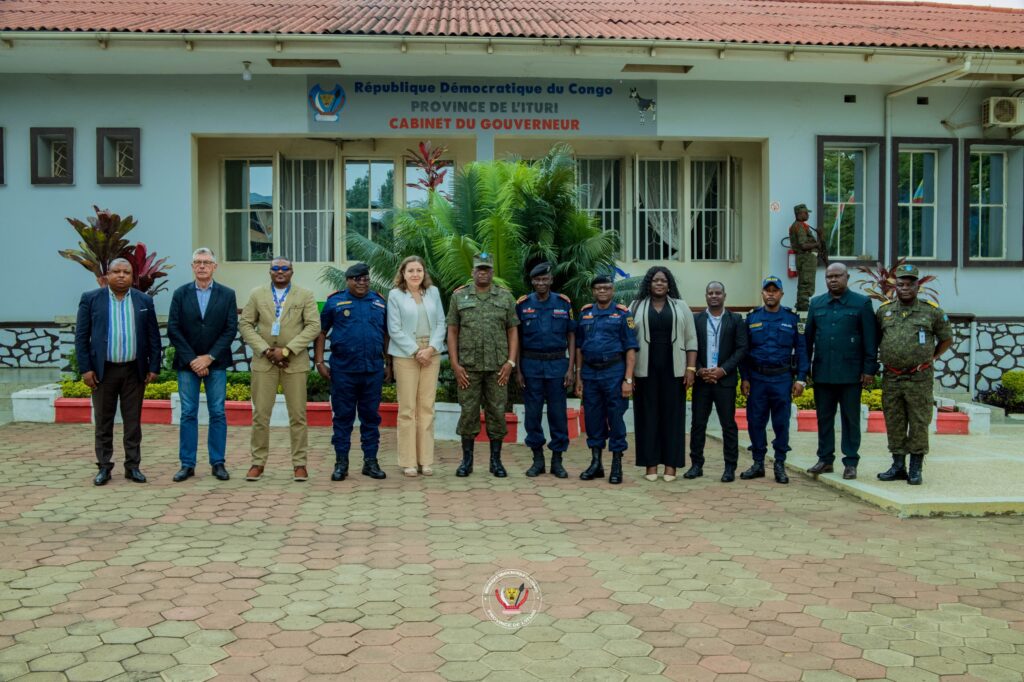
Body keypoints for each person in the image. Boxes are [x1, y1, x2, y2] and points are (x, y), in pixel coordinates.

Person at [74, 258, 161, 486]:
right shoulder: (91, 299)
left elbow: (153, 336)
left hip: (134, 370)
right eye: (116, 271)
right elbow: (81, 337)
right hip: (103, 371)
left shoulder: (144, 300)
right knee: (103, 421)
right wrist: (86, 369)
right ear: (107, 275)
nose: (121, 275)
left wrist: (154, 366)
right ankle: (104, 467)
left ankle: (133, 467)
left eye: (126, 272)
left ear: (133, 276)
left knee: (133, 422)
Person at [239, 258, 321, 482]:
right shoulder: (257, 294)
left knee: (298, 416)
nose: (280, 271)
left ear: (292, 271)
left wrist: (286, 351)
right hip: (264, 362)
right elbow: (245, 324)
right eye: (275, 268)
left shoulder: (305, 295)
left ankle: (300, 464)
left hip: (294, 362)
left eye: (285, 268)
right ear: (270, 271)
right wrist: (266, 350)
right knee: (260, 415)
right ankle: (257, 462)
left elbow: (314, 326)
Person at [876, 264, 952, 486]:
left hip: (919, 378)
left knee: (919, 422)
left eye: (910, 284)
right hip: (892, 377)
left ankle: (916, 468)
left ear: (918, 286)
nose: (905, 288)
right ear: (895, 286)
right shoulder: (884, 311)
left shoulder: (932, 311)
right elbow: (877, 338)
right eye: (901, 284)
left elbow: (946, 338)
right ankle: (898, 466)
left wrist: (932, 357)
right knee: (894, 420)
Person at [166, 247, 238, 483]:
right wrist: (193, 359)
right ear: (192, 266)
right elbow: (173, 328)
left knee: (217, 412)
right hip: (187, 364)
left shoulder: (227, 294)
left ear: (214, 266)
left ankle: (218, 463)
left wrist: (209, 357)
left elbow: (230, 329)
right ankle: (187, 464)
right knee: (188, 413)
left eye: (206, 262)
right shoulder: (180, 293)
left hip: (216, 363)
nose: (202, 266)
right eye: (198, 262)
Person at [316, 262, 391, 481]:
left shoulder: (379, 301)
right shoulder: (334, 301)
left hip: (372, 370)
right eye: (357, 279)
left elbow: (386, 335)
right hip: (344, 371)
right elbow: (321, 332)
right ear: (348, 281)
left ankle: (371, 462)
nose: (362, 283)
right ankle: (341, 463)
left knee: (371, 418)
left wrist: (389, 363)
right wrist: (320, 362)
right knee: (343, 418)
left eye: (366, 279)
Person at [446, 253, 520, 478]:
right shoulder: (459, 297)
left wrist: (510, 362)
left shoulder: (505, 297)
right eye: (479, 269)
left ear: (492, 273)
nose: (483, 273)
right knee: (468, 412)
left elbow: (512, 330)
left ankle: (495, 462)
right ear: (472, 272)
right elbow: (452, 331)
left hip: (498, 368)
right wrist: (455, 364)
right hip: (468, 368)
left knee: (497, 412)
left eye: (486, 269)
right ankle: (466, 461)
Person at [804, 262, 878, 480]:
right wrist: (804, 369)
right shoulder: (816, 303)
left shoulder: (862, 303)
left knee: (850, 419)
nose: (833, 280)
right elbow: (808, 340)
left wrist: (869, 369)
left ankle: (851, 461)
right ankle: (825, 459)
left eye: (838, 276)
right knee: (824, 418)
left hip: (851, 373)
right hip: (823, 372)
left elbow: (870, 340)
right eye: (829, 277)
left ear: (847, 277)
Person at [630, 267, 697, 482]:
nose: (659, 284)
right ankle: (650, 465)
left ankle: (671, 466)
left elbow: (691, 339)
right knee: (647, 417)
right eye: (655, 280)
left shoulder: (681, 306)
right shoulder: (635, 306)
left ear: (669, 285)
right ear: (649, 284)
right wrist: (629, 374)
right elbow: (628, 340)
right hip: (644, 370)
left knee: (673, 418)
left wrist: (690, 368)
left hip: (674, 370)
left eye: (663, 280)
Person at [741, 276, 809, 484]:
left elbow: (802, 350)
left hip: (782, 379)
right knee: (755, 421)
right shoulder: (751, 318)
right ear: (762, 293)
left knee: (781, 423)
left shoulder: (792, 319)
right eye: (767, 290)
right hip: (757, 379)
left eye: (774, 290)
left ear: (781, 293)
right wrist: (744, 377)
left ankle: (780, 463)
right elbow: (744, 351)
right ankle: (758, 463)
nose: (770, 294)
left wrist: (801, 379)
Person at [574, 275, 639, 485]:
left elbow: (631, 348)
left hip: (614, 371)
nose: (602, 291)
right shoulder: (585, 313)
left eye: (606, 288)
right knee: (593, 418)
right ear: (593, 291)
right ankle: (596, 463)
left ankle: (616, 465)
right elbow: (579, 347)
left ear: (612, 290)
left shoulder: (623, 314)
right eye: (598, 288)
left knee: (616, 418)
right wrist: (578, 375)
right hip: (590, 373)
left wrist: (628, 379)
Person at [387, 256, 446, 477]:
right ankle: (408, 462)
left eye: (419, 270)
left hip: (431, 353)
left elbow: (441, 322)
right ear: (403, 273)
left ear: (424, 273)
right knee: (407, 409)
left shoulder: (433, 292)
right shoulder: (395, 295)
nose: (415, 274)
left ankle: (426, 460)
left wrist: (430, 349)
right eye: (410, 270)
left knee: (427, 408)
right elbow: (394, 329)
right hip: (406, 355)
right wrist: (415, 351)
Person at [516, 262, 576, 478]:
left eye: (545, 279)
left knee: (558, 415)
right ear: (532, 281)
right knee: (532, 415)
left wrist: (571, 368)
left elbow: (571, 336)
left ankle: (557, 461)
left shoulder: (563, 304)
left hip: (557, 366)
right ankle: (537, 459)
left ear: (551, 280)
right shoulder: (522, 305)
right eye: (537, 280)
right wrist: (518, 370)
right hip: (531, 367)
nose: (541, 283)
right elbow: (517, 339)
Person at [688, 281, 748, 482]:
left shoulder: (736, 320)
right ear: (706, 296)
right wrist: (698, 370)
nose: (714, 296)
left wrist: (723, 370)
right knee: (698, 424)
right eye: (710, 293)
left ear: (724, 296)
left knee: (728, 425)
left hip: (725, 381)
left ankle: (730, 467)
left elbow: (741, 349)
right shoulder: (696, 319)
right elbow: (690, 347)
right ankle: (696, 465)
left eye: (718, 293)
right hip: (702, 380)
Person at [789, 203, 819, 311]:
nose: (807, 215)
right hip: (806, 258)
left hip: (804, 258)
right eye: (805, 213)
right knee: (806, 284)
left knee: (804, 284)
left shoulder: (800, 225)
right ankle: (803, 309)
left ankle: (801, 306)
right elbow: (803, 245)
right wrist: (817, 244)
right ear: (799, 213)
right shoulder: (799, 226)